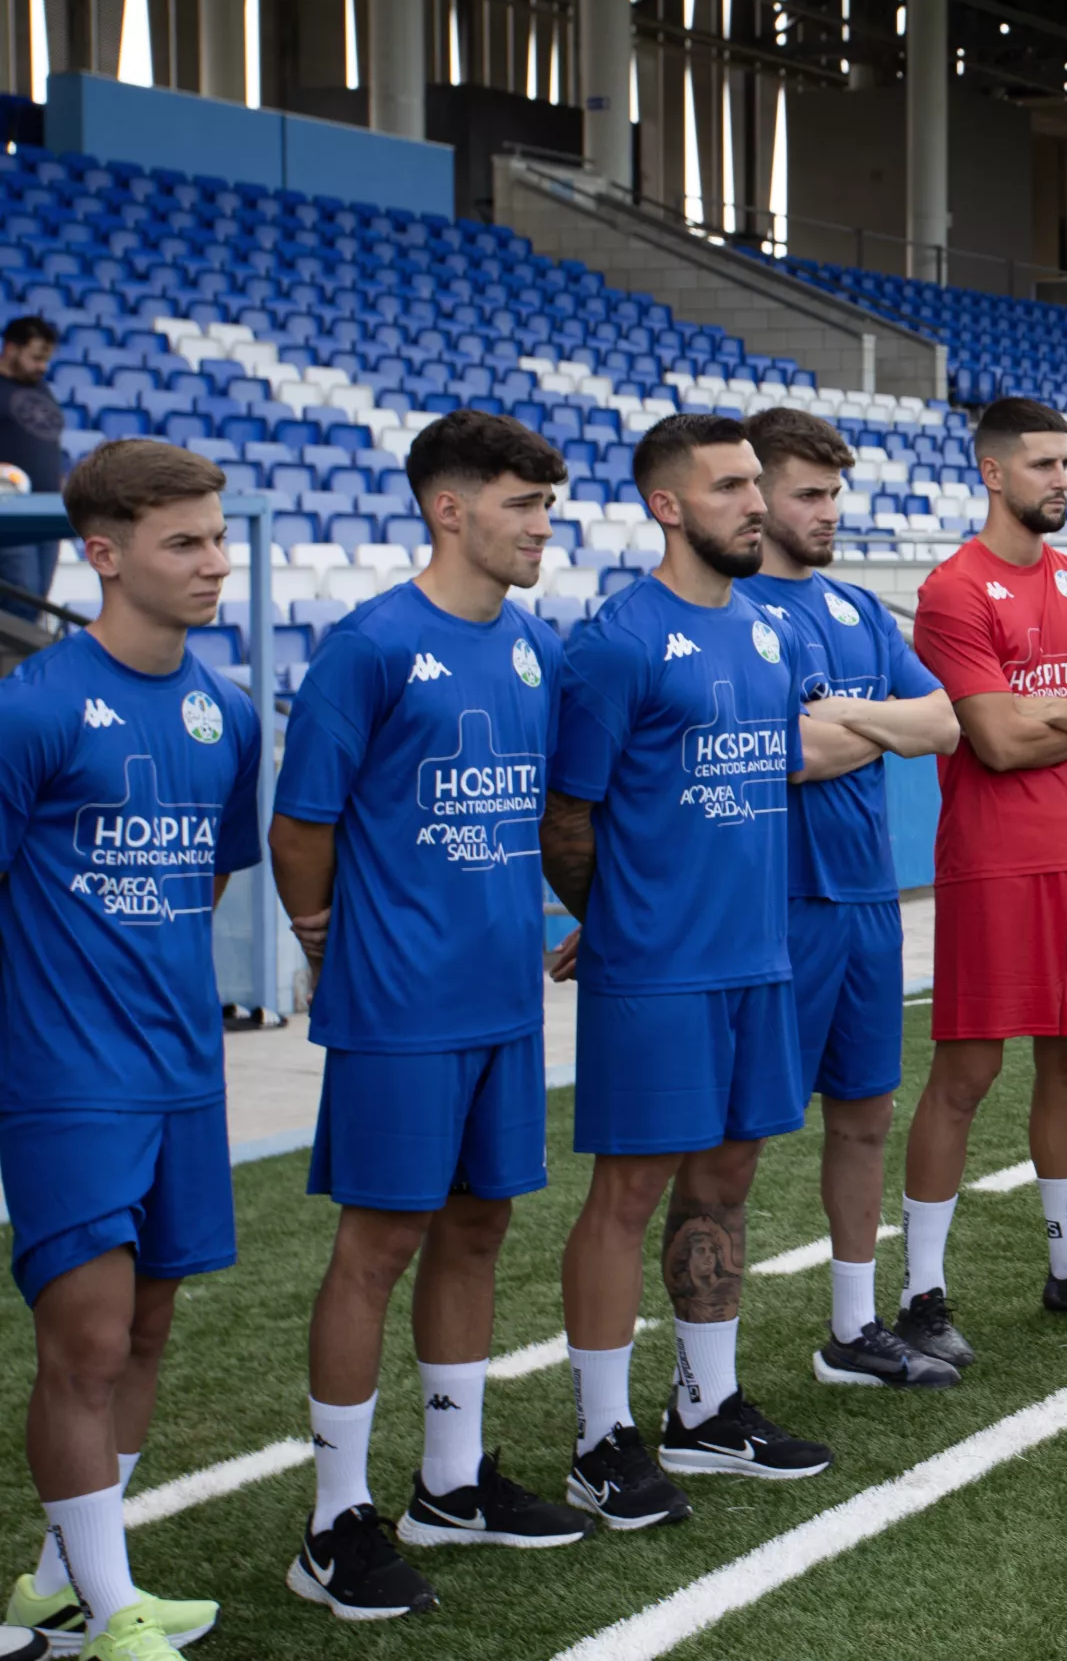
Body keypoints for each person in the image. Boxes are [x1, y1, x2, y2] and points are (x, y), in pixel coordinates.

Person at [271, 412, 594, 1620]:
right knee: (378, 1245)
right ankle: (333, 1519)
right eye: (523, 506)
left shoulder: (531, 647)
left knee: (477, 1229)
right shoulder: (371, 645)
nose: (542, 527)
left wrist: (589, 910)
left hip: (501, 999)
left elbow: (557, 806)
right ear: (449, 508)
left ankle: (449, 1481)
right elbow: (300, 827)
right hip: (398, 1001)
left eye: (549, 507)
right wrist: (322, 943)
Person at [541, 414, 840, 1530]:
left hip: (757, 961)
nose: (754, 503)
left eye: (757, 483)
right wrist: (616, 917)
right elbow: (566, 815)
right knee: (625, 1195)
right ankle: (598, 1437)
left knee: (726, 1182)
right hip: (659, 971)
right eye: (728, 487)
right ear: (668, 505)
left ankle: (704, 1407)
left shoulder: (768, 631)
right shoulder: (617, 641)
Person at [0, 440, 252, 1659]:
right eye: (183, 542)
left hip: (182, 1070)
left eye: (217, 537)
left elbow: (199, 885)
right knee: (88, 1337)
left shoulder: (229, 710)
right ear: (102, 555)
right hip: (65, 1074)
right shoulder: (30, 707)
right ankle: (112, 1611)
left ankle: (59, 1583)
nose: (215, 563)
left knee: (149, 1328)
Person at [896, 396, 1067, 1372]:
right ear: (993, 472)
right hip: (991, 860)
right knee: (966, 1072)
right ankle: (920, 1293)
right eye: (1044, 464)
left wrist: (1045, 708)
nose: (1061, 480)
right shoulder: (954, 590)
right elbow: (998, 742)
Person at [729, 408, 965, 1390]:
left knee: (864, 1114)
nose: (828, 511)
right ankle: (706, 1373)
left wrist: (848, 717)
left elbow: (945, 722)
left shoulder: (860, 610)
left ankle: (854, 1325)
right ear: (758, 496)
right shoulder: (732, 614)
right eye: (808, 493)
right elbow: (792, 752)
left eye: (834, 493)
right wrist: (876, 727)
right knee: (732, 1144)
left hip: (869, 900)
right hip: (771, 904)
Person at [0, 317, 66, 621]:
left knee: (38, 599)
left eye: (47, 359)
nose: (42, 367)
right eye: (36, 357)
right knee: (21, 595)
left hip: (48, 509)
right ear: (11, 349)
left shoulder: (42, 389)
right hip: (10, 510)